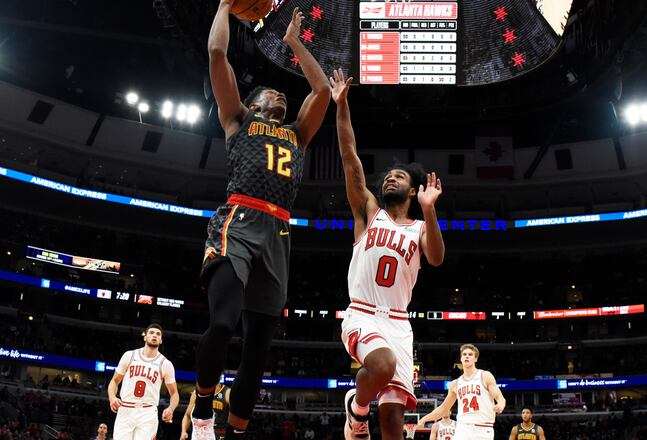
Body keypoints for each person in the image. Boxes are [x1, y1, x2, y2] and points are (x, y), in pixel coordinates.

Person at [193, 0, 330, 438]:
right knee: (222, 323)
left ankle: (234, 431)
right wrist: (224, 6)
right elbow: (218, 55)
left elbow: (322, 91)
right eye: (271, 92)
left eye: (282, 94)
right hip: (239, 221)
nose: (281, 94)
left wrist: (294, 42)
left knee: (257, 349)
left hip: (279, 233)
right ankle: (201, 407)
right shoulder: (238, 120)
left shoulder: (297, 134)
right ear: (253, 102)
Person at [329, 68, 445, 440]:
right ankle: (356, 408)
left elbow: (438, 259)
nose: (390, 178)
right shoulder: (368, 211)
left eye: (400, 176)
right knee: (381, 363)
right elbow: (350, 156)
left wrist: (430, 211)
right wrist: (342, 105)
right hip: (362, 313)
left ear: (414, 191)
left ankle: (361, 411)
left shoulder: (419, 226)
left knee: (394, 418)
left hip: (399, 322)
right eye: (388, 175)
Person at [417, 344, 505, 440]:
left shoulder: (485, 376)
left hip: (483, 428)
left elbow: (499, 397)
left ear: (476, 359)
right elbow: (444, 408)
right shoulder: (455, 384)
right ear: (461, 358)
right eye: (464, 354)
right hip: (462, 429)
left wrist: (500, 404)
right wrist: (424, 419)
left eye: (470, 354)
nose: (467, 356)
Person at [107, 324, 178, 440]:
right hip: (125, 408)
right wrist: (112, 397)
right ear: (145, 337)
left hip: (148, 412)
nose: (154, 335)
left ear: (161, 340)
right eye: (151, 333)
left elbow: (174, 393)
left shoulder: (166, 364)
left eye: (158, 334)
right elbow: (114, 381)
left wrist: (171, 408)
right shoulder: (129, 355)